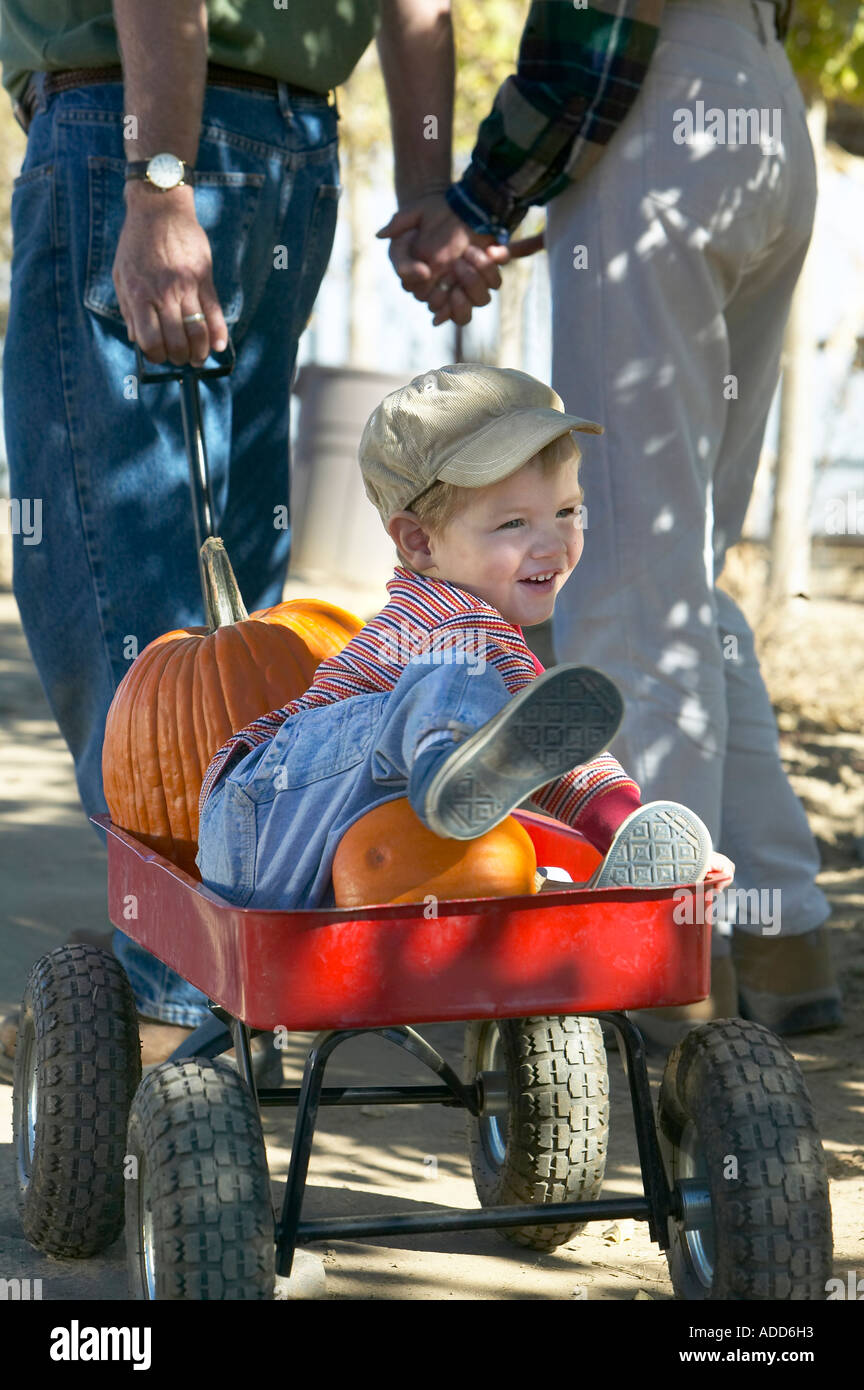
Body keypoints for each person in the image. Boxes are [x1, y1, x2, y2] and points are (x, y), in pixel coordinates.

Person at [0, 0, 508, 1074]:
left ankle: (179, 1031)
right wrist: (428, 192)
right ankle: (231, 994)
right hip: (284, 153)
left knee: (128, 615)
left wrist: (161, 178)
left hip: (132, 134)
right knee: (229, 632)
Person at [376, 0, 840, 1043]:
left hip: (659, 112)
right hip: (761, 106)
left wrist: (483, 196)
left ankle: (660, 969)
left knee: (629, 579)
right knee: (681, 570)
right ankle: (782, 924)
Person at [195, 363, 735, 911]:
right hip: (266, 811)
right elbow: (552, 739)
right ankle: (450, 760)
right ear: (421, 542)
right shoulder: (456, 620)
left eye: (567, 512)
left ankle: (515, 831)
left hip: (314, 854)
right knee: (456, 673)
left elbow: (546, 744)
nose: (552, 544)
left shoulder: (467, 621)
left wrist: (646, 843)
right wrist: (620, 821)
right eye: (513, 524)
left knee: (479, 746)